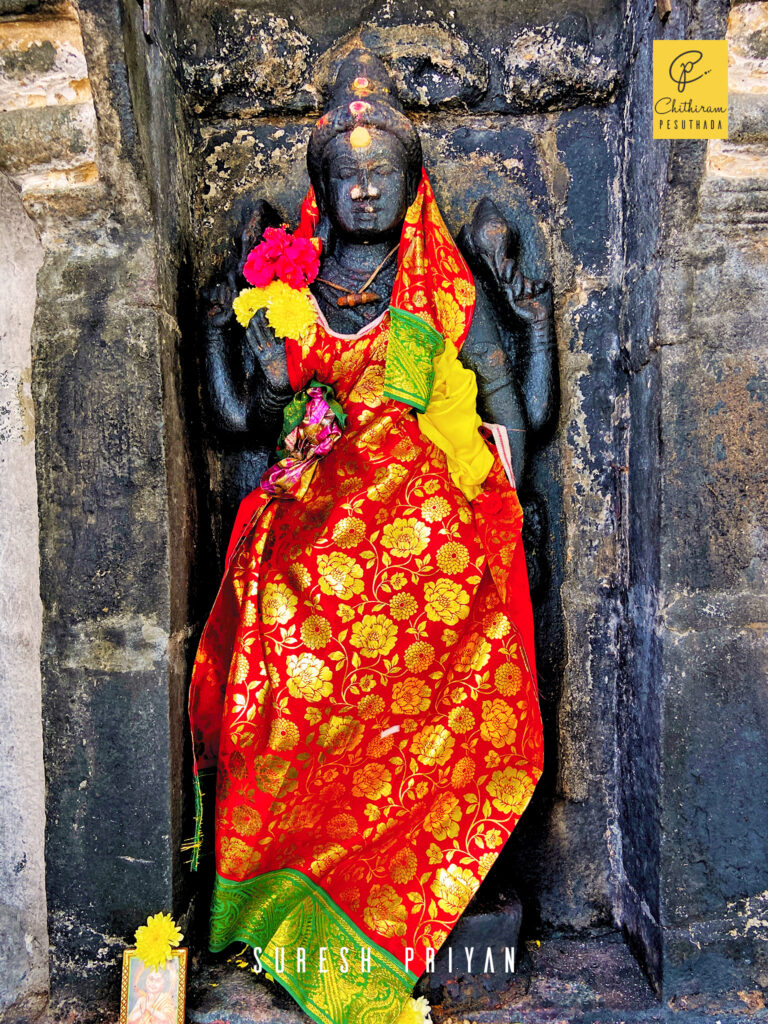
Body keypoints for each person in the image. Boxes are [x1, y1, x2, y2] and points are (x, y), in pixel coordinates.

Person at [188, 49, 545, 1024]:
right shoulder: (289, 286)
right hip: (315, 528)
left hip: (417, 534)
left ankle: (416, 891)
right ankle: (297, 909)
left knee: (471, 579)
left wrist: (530, 319)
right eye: (346, 179)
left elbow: (519, 416)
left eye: (381, 176)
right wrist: (240, 340)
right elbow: (241, 423)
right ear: (321, 191)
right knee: (284, 657)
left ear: (410, 185)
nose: (363, 191)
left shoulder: (443, 288)